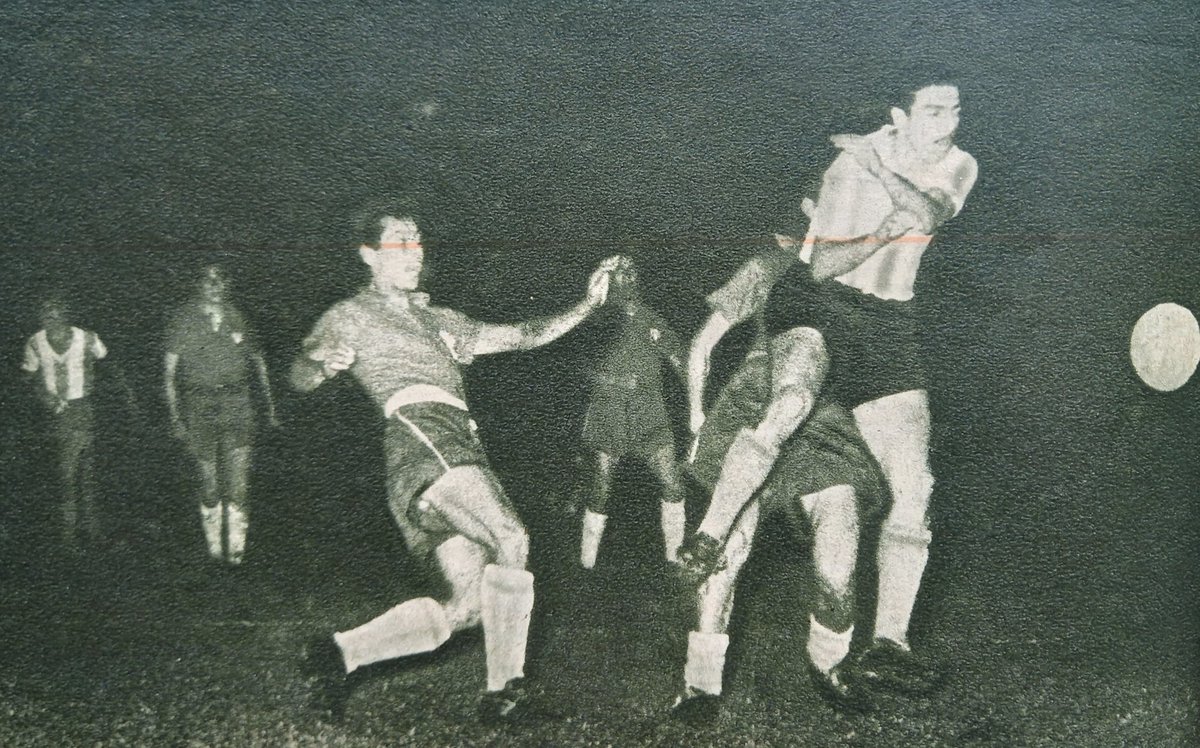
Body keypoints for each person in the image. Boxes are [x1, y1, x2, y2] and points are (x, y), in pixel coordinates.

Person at [680, 80, 979, 695]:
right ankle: (709, 536)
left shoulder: (959, 163)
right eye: (933, 111)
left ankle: (888, 644)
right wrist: (880, 206)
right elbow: (819, 265)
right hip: (822, 304)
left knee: (916, 485)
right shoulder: (849, 161)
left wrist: (887, 183)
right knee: (789, 404)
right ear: (899, 117)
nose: (949, 123)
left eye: (955, 110)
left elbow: (926, 215)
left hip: (889, 322)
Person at [290, 213, 618, 724]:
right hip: (421, 435)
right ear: (369, 254)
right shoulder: (351, 314)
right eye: (400, 242)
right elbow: (299, 374)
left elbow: (524, 336)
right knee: (511, 536)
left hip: (455, 443)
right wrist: (320, 363)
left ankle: (337, 654)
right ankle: (504, 693)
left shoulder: (439, 319)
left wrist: (587, 304)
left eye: (418, 241)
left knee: (471, 606)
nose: (415, 251)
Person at [672, 321, 888, 720]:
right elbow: (701, 345)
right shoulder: (765, 282)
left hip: (822, 424)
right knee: (727, 551)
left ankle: (829, 661)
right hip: (754, 410)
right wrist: (696, 418)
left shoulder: (863, 295)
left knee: (837, 565)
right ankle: (700, 682)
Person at [164, 265, 278, 567]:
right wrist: (175, 417)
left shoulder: (237, 316)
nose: (215, 285)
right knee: (209, 483)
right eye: (208, 279)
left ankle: (236, 556)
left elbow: (259, 363)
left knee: (239, 484)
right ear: (198, 284)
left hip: (237, 403)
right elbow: (169, 374)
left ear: (228, 284)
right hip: (199, 405)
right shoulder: (183, 319)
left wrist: (270, 406)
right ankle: (215, 553)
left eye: (221, 279)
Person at [579, 257, 687, 569]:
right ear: (608, 279)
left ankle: (676, 561)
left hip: (650, 411)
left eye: (631, 271)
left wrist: (697, 399)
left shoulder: (652, 318)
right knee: (601, 488)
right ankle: (586, 565)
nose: (627, 277)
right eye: (620, 272)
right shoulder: (598, 319)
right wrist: (614, 380)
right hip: (608, 411)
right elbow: (578, 367)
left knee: (673, 483)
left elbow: (680, 358)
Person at [22, 296, 109, 554]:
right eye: (46, 315)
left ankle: (90, 532)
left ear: (67, 315)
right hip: (56, 414)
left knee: (86, 471)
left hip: (82, 409)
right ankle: (69, 536)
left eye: (56, 314)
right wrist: (45, 397)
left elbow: (105, 361)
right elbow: (28, 377)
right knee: (66, 474)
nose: (51, 320)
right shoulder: (35, 343)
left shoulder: (87, 338)